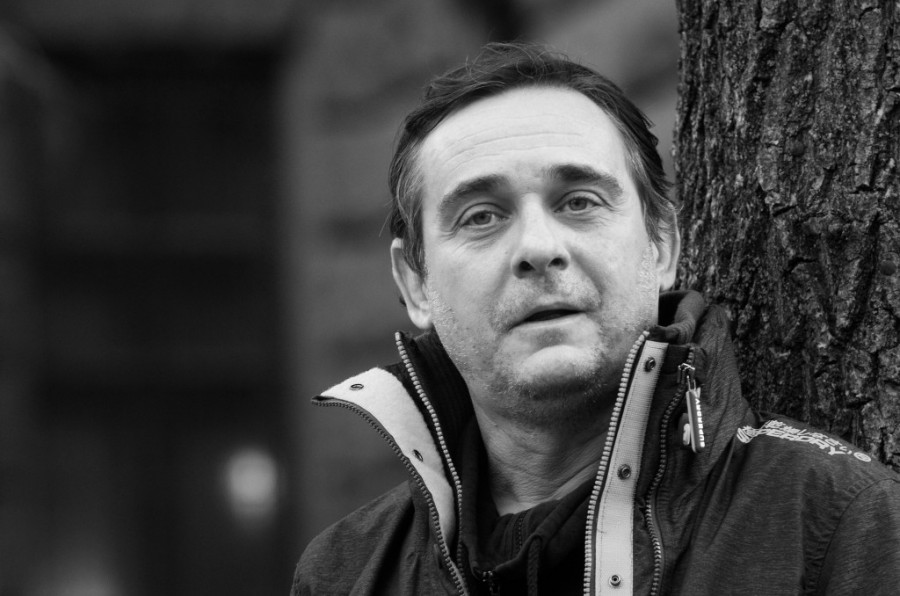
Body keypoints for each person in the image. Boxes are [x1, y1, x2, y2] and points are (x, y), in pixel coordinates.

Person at [292, 43, 900, 595]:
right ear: (414, 283)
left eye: (579, 202)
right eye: (481, 216)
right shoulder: (345, 574)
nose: (538, 247)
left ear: (661, 246)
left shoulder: (838, 524)